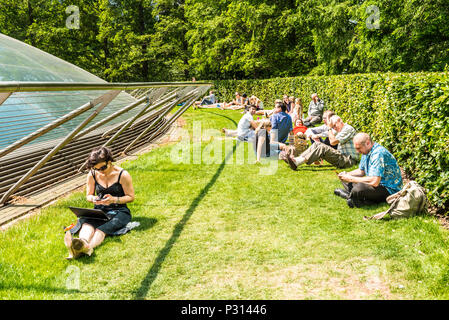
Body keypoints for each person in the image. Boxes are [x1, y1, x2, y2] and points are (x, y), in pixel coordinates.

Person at [64, 147, 135, 259]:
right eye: (97, 169)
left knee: (101, 229)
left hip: (119, 211)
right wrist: (93, 199)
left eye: (103, 167)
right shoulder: (92, 174)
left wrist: (114, 199)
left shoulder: (122, 174)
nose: (101, 171)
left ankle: (86, 248)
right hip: (100, 210)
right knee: (88, 225)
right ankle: (81, 243)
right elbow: (88, 196)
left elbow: (131, 197)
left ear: (109, 161)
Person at [334, 133, 403, 208]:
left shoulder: (378, 153)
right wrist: (347, 174)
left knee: (359, 187)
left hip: (388, 189)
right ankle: (355, 197)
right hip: (376, 185)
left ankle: (351, 196)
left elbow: (375, 181)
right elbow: (361, 171)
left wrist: (351, 178)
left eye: (359, 148)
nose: (357, 151)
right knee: (345, 178)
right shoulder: (366, 151)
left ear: (367, 143)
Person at [285, 115, 359, 170]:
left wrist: (330, 128)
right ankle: (296, 160)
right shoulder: (340, 128)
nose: (334, 128)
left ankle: (296, 162)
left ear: (339, 121)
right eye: (333, 127)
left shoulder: (348, 129)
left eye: (334, 126)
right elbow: (327, 133)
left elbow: (333, 142)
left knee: (322, 147)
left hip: (348, 160)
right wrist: (316, 135)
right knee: (317, 144)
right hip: (341, 157)